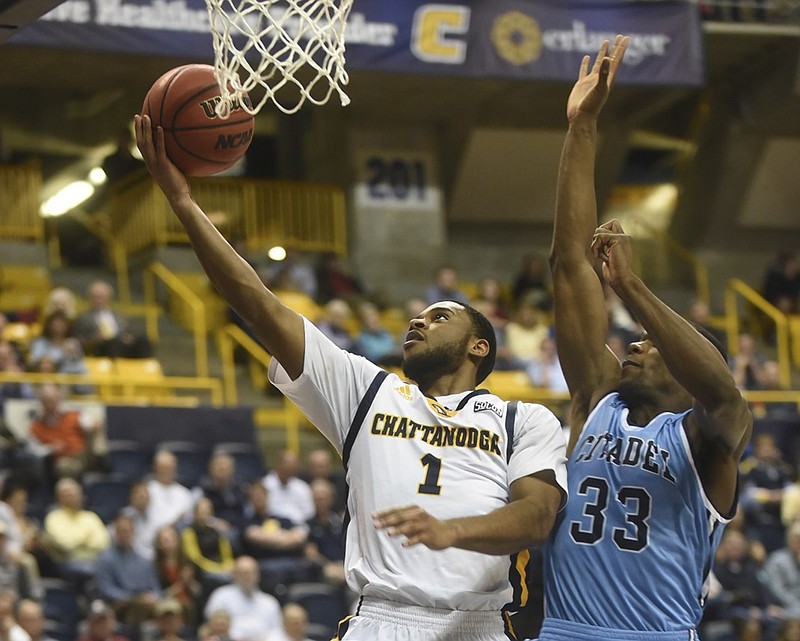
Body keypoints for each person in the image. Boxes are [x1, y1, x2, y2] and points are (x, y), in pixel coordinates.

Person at [135, 113, 567, 641]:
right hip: (382, 619)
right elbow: (258, 302)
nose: (418, 321)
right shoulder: (366, 391)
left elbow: (538, 517)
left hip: (479, 623)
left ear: (480, 346)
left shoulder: (524, 418)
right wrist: (183, 203)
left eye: (439, 317)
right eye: (417, 316)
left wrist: (450, 531)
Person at [543, 35, 752, 641]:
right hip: (562, 629)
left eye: (651, 344)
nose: (634, 345)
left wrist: (631, 286)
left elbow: (720, 388)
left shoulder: (707, 438)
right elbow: (569, 268)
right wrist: (583, 127)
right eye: (636, 339)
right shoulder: (596, 399)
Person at [202, 555, 283, 641]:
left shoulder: (270, 602)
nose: (246, 577)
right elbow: (212, 625)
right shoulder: (220, 595)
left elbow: (277, 631)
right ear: (234, 575)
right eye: (242, 573)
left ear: (257, 575)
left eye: (249, 573)